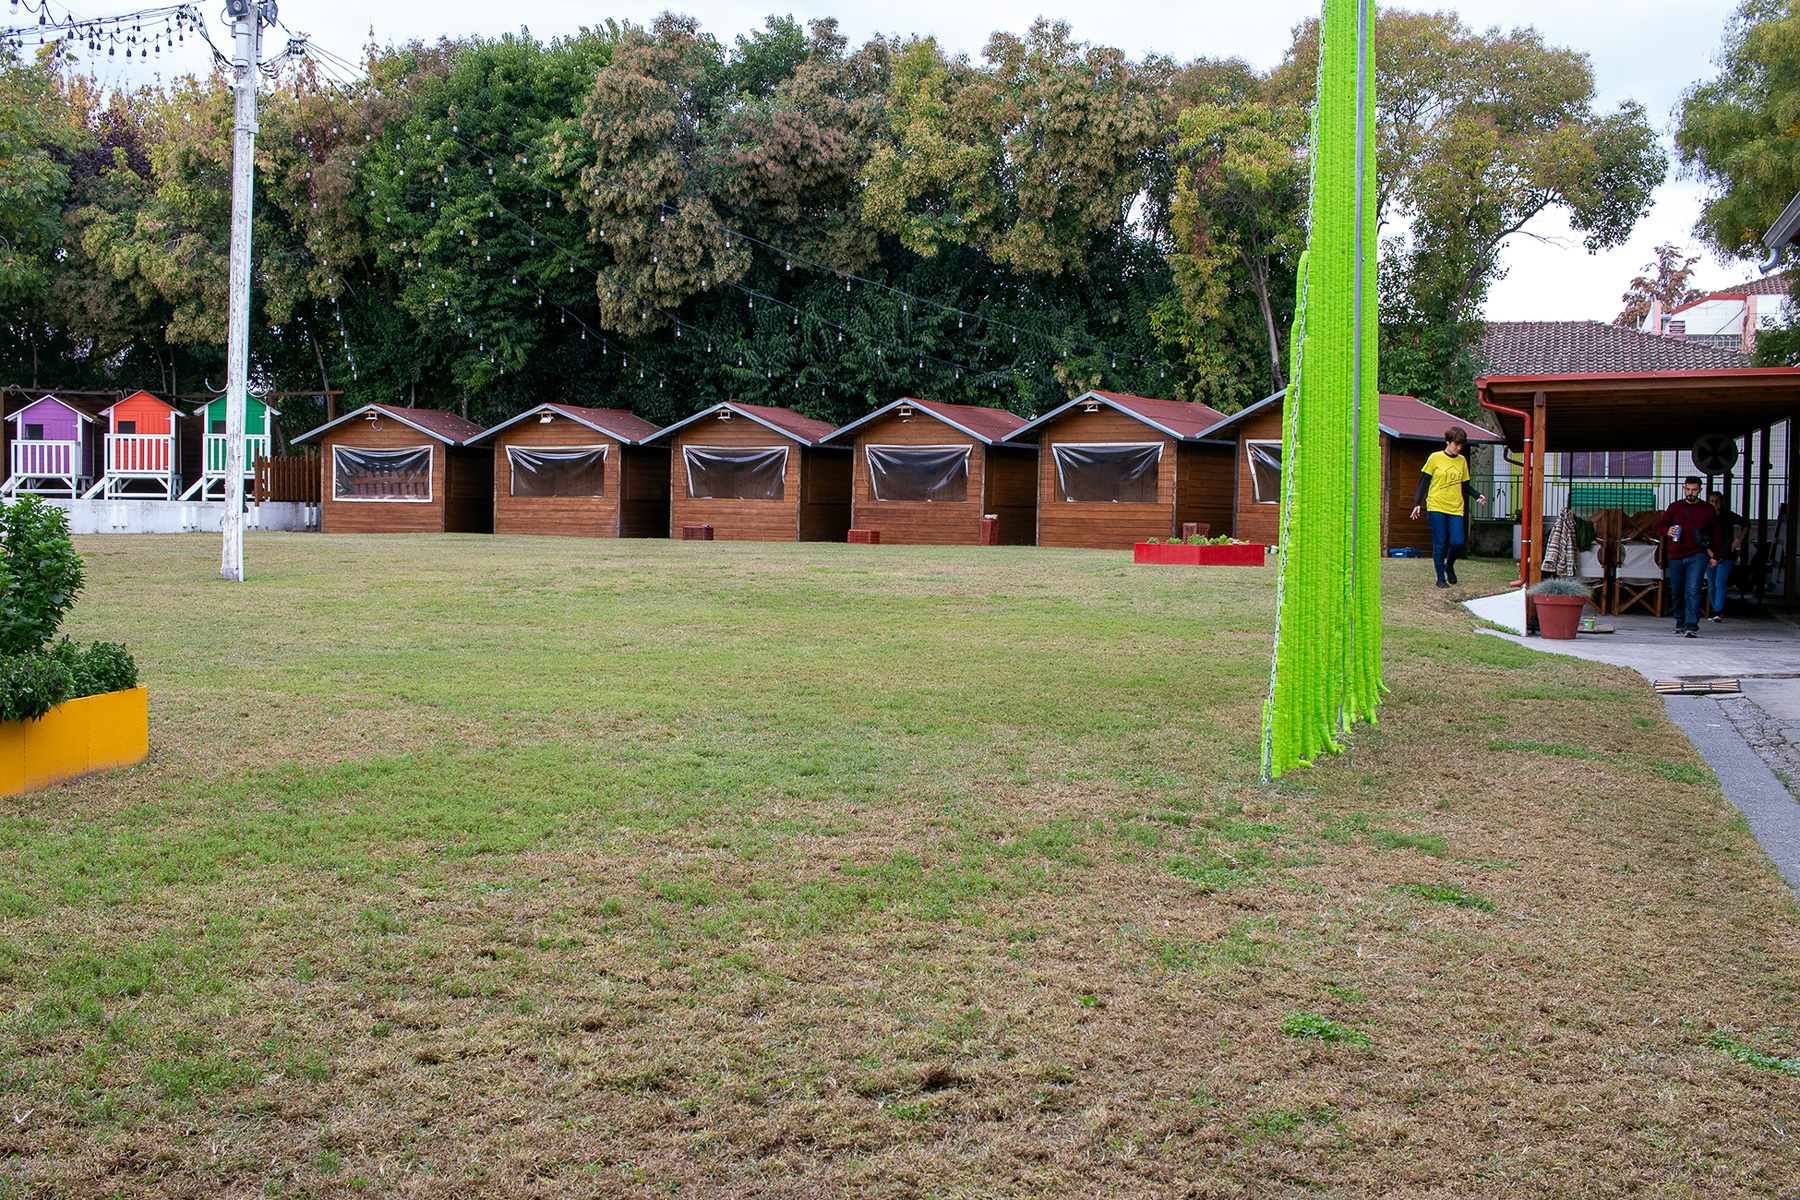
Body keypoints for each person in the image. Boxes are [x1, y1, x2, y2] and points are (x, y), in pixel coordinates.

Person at [1409, 427, 1487, 588]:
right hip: (1436, 505)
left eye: (1461, 445)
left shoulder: (1462, 461)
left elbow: (1465, 484)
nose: (1458, 448)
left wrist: (1477, 495)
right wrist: (1417, 503)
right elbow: (1424, 482)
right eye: (1456, 444)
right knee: (1440, 542)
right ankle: (1440, 578)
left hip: (1455, 507)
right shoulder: (1435, 458)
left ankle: (1449, 566)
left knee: (1458, 541)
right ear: (1448, 441)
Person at [1657, 476, 1722, 637]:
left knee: (1693, 589)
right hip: (1676, 554)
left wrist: (1716, 556)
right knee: (1677, 591)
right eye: (1687, 489)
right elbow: (1661, 525)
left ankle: (1691, 625)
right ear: (1684, 488)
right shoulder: (1675, 507)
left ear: (1700, 490)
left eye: (1694, 490)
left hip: (1698, 554)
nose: (1690, 493)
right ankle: (1680, 620)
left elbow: (1716, 533)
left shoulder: (1707, 509)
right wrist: (1667, 531)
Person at [1706, 490, 1747, 621]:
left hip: (1727, 553)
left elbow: (1746, 524)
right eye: (1712, 501)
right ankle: (1714, 609)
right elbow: (1700, 536)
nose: (1715, 504)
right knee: (1711, 582)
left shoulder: (1728, 515)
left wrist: (1740, 538)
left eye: (1717, 501)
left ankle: (1718, 611)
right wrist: (1712, 554)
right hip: (1710, 553)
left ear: (1722, 503)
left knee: (1720, 581)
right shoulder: (1705, 516)